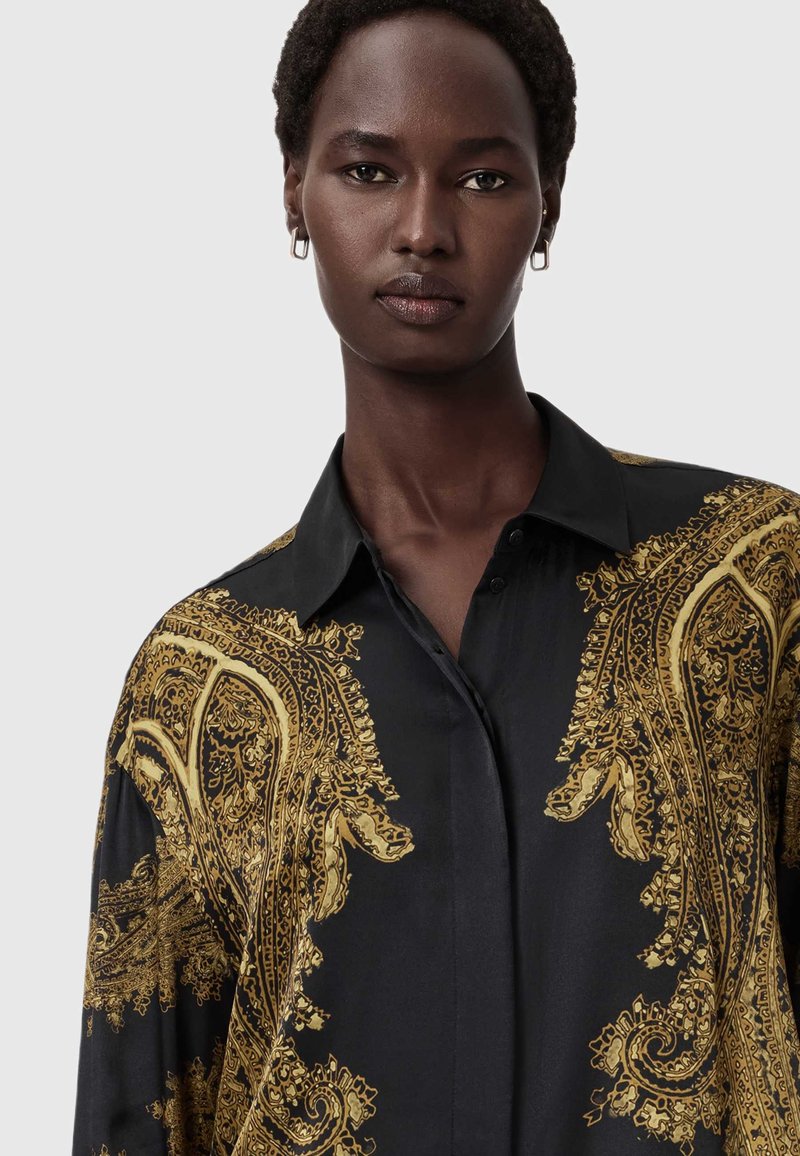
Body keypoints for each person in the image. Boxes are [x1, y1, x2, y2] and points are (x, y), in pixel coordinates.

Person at [71, 0, 800, 1152]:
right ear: (294, 193)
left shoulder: (753, 582)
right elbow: (138, 1108)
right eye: (367, 170)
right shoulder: (198, 682)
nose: (420, 228)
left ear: (548, 203)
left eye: (481, 179)